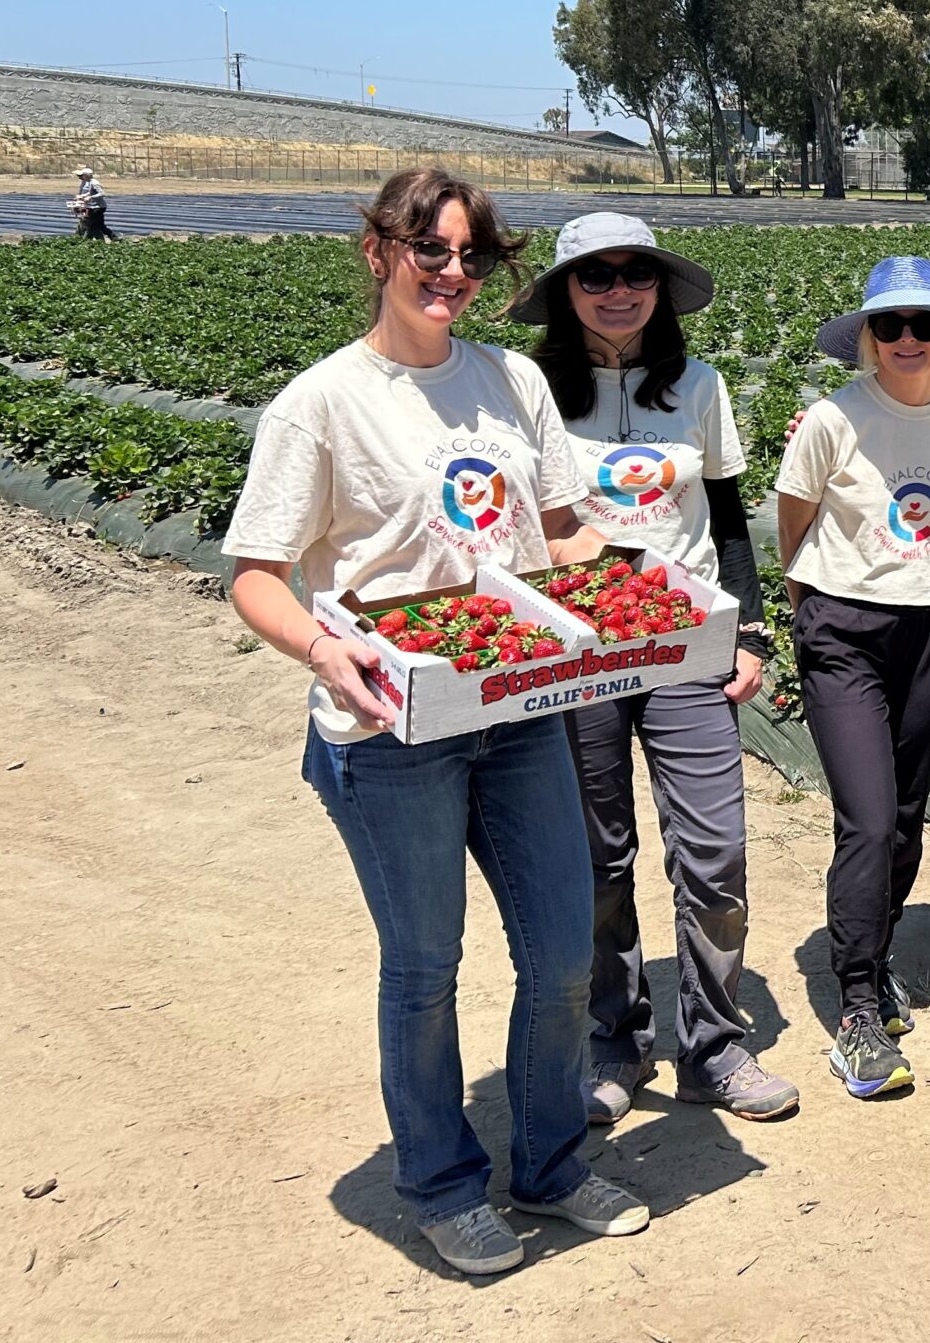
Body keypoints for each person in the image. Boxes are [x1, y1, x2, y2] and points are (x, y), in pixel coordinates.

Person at [223, 168, 650, 1277]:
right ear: (378, 252)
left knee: (561, 954)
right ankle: (442, 1184)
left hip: (510, 705)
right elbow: (257, 575)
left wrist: (658, 583)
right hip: (386, 725)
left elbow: (557, 536)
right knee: (426, 965)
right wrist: (325, 645)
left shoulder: (510, 381)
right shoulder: (322, 403)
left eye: (471, 255)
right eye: (431, 251)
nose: (453, 273)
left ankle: (551, 1166)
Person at [512, 213, 794, 1123]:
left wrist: (748, 635)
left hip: (684, 645)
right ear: (566, 293)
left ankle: (713, 1044)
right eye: (596, 276)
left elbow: (728, 516)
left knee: (713, 851)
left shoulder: (700, 387)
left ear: (660, 290)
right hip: (575, 653)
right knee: (598, 856)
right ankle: (616, 1040)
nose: (619, 290)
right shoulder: (532, 396)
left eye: (636, 274)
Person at [777, 256, 930, 1099]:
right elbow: (793, 522)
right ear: (867, 338)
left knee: (906, 814)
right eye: (889, 325)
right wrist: (813, 611)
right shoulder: (833, 420)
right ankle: (858, 1006)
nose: (907, 340)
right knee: (867, 818)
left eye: (923, 325)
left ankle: (880, 949)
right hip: (842, 627)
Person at [70, 164, 116, 240]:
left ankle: (95, 239)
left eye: (83, 175)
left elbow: (102, 193)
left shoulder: (94, 183)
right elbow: (90, 192)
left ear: (86, 175)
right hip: (94, 206)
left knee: (92, 224)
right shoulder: (90, 182)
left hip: (98, 207)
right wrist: (82, 196)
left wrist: (90, 197)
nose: (81, 177)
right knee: (99, 225)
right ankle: (112, 237)